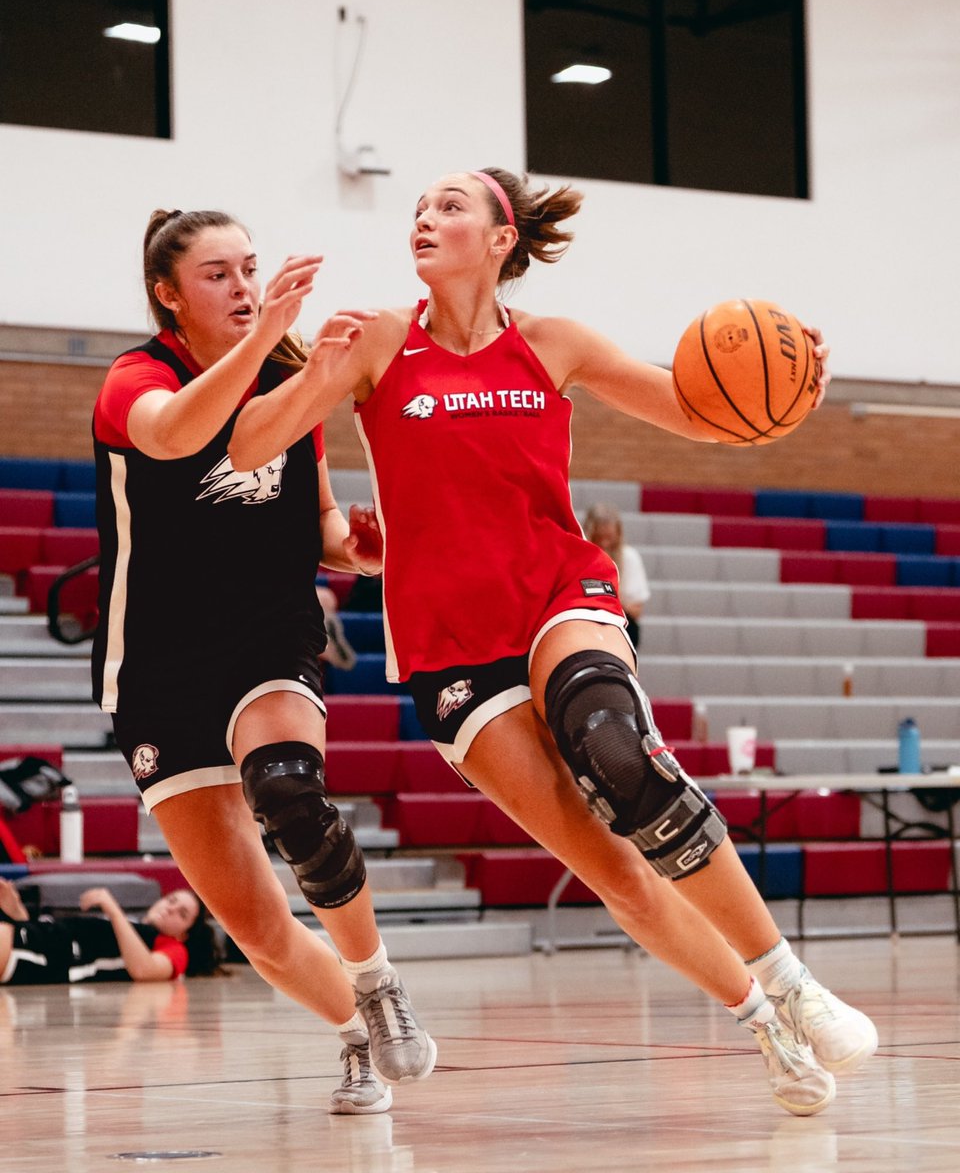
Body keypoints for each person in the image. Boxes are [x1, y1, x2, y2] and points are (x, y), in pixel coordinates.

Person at [226, 166, 878, 1118]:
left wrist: (791, 387)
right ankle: (759, 1020)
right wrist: (320, 380)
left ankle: (790, 980)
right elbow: (247, 447)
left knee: (620, 753)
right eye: (418, 209)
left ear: (500, 240)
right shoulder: (372, 339)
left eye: (450, 207)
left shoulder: (553, 343)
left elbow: (702, 411)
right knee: (616, 873)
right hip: (448, 640)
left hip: (555, 592)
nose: (425, 218)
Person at [89, 209, 436, 1116]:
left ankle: (378, 978)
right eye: (217, 274)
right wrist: (279, 345)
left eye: (249, 267)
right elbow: (173, 435)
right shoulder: (135, 380)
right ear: (169, 295)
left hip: (267, 643)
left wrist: (353, 547)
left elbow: (315, 518)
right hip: (159, 671)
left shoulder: (291, 380)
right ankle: (356, 1029)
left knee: (289, 787)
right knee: (256, 927)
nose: (243, 287)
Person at [0, 878, 221, 983]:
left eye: (181, 914)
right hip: (34, 937)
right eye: (171, 900)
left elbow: (144, 970)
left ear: (184, 934)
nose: (170, 908)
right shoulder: (134, 924)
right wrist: (17, 912)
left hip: (45, 958)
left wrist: (112, 908)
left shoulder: (173, 947)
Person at [583, 502, 651, 648]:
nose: (605, 544)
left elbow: (636, 610)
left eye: (609, 538)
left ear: (617, 535)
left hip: (621, 623)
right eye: (599, 538)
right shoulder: (580, 557)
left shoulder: (629, 557)